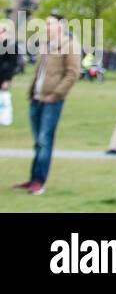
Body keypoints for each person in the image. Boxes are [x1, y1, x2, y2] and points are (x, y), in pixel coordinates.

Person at [14, 14, 80, 195]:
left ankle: (39, 182)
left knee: (45, 141)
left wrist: (56, 94)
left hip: (51, 101)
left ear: (60, 25)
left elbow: (72, 74)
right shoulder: (45, 45)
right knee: (38, 142)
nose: (46, 26)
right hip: (36, 99)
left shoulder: (70, 45)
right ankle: (33, 178)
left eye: (50, 23)